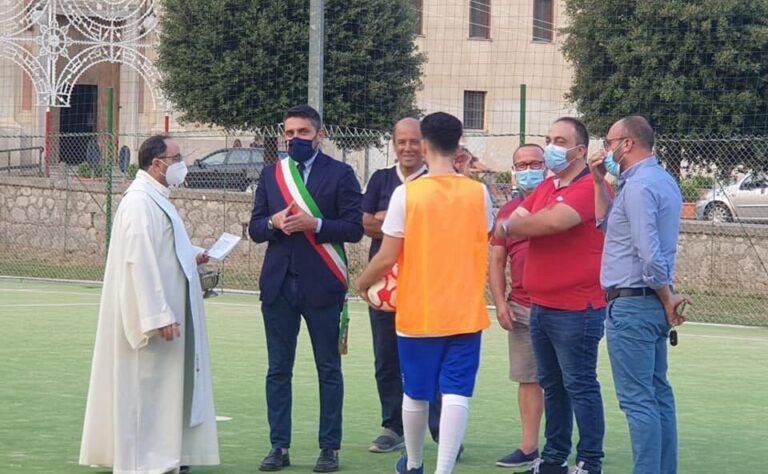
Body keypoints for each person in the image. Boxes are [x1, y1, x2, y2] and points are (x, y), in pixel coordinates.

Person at [356, 112, 493, 474]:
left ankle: (414, 462)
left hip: (419, 310)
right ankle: (443, 469)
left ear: (425, 143)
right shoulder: (479, 193)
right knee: (457, 393)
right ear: (459, 141)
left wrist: (360, 283)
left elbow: (387, 256)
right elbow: (487, 237)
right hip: (464, 310)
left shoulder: (407, 194)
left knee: (416, 392)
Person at [79, 135, 219, 474]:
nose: (182, 162)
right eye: (177, 156)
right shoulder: (139, 202)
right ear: (157, 163)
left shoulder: (156, 198)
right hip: (154, 318)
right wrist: (157, 314)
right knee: (148, 385)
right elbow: (138, 261)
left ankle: (166, 454)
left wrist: (193, 254)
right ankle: (147, 460)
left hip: (169, 310)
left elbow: (165, 246)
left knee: (166, 388)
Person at [249, 105, 363, 473]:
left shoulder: (341, 174)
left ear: (320, 135)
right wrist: (273, 222)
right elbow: (254, 228)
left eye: (302, 132)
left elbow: (353, 228)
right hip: (279, 285)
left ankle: (329, 448)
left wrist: (315, 223)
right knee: (278, 370)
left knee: (328, 369)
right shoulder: (271, 174)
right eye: (289, 132)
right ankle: (278, 447)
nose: (294, 138)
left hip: (322, 285)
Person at [496, 117, 609, 474]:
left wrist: (506, 225)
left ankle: (590, 462)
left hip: (578, 308)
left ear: (580, 150)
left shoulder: (592, 187)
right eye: (548, 138)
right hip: (543, 307)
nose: (550, 147)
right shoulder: (548, 186)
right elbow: (527, 213)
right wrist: (517, 222)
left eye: (559, 140)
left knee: (579, 385)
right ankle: (554, 457)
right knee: (552, 386)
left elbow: (546, 223)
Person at [588, 116, 690, 474]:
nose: (606, 148)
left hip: (633, 303)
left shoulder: (638, 186)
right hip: (647, 301)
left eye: (610, 140)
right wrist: (600, 181)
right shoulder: (659, 180)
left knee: (637, 400)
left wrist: (666, 297)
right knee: (657, 392)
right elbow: (607, 224)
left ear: (627, 144)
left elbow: (648, 252)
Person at [362, 117, 435, 454]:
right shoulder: (380, 178)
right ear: (394, 143)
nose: (408, 147)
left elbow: (433, 230)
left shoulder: (437, 181)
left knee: (429, 356)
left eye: (414, 141)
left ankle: (438, 426)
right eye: (401, 141)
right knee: (386, 357)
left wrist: (388, 220)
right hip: (385, 288)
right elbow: (365, 224)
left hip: (427, 285)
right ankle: (393, 426)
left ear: (426, 144)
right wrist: (401, 224)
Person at [489, 144, 546, 470]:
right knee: (528, 378)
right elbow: (496, 261)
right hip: (522, 307)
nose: (529, 170)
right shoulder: (506, 212)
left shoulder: (560, 204)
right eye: (522, 164)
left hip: (562, 309)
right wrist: (500, 302)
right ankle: (529, 447)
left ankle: (563, 446)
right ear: (514, 171)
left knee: (567, 380)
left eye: (535, 163)